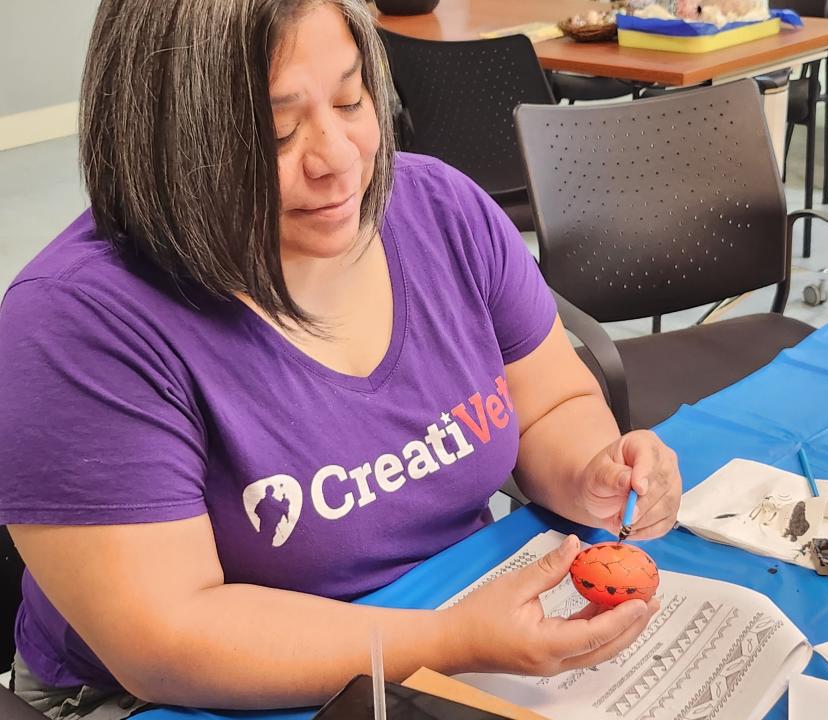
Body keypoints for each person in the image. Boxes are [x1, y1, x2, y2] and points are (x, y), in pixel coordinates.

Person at [0, 1, 682, 717]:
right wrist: (450, 640)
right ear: (164, 141)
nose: (338, 160)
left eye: (351, 99)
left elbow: (552, 405)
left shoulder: (442, 212)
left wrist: (592, 473)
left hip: (450, 621)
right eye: (276, 131)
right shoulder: (78, 324)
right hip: (170, 694)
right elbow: (168, 641)